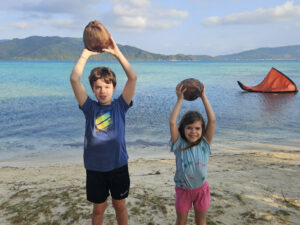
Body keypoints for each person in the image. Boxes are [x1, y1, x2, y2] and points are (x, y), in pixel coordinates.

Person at [70, 33, 137, 225]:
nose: (102, 90)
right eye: (98, 87)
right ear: (92, 89)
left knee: (120, 206)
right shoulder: (89, 108)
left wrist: (117, 53)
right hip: (95, 169)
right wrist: (85, 54)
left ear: (114, 88)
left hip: (118, 167)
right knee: (99, 209)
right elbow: (75, 79)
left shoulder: (120, 106)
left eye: (107, 86)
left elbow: (132, 77)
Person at [169, 82, 216, 225]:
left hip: (201, 190)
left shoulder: (204, 144)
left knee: (201, 222)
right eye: (189, 128)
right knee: (181, 222)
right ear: (183, 129)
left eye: (197, 128)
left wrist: (203, 97)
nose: (193, 132)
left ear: (202, 130)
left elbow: (212, 121)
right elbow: (172, 122)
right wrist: (179, 100)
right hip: (183, 191)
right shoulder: (179, 145)